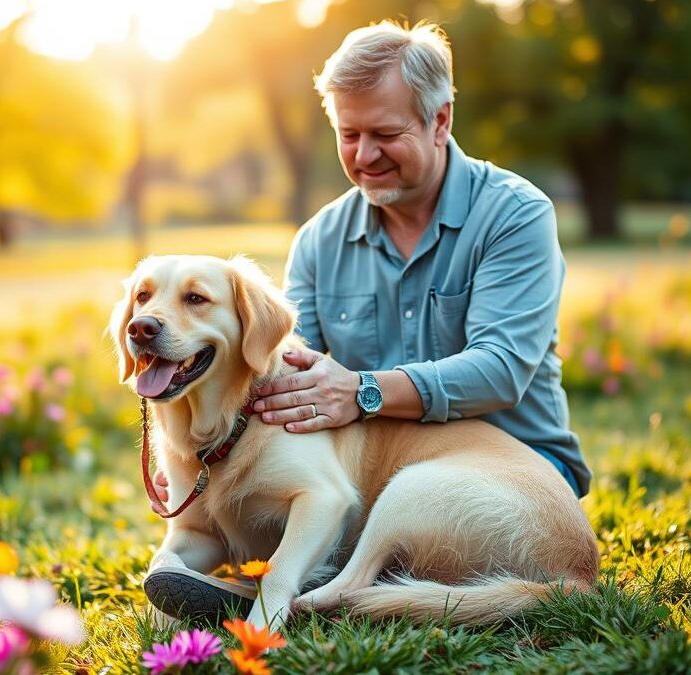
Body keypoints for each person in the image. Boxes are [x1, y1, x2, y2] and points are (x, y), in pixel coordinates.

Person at [146, 19, 589, 619]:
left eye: (385, 134)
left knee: (360, 504)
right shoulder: (319, 239)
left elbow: (502, 369)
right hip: (367, 478)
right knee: (315, 498)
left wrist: (364, 391)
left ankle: (322, 597)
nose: (364, 155)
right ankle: (306, 579)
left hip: (517, 477)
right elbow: (288, 377)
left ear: (440, 120)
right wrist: (202, 457)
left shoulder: (515, 215)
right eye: (348, 134)